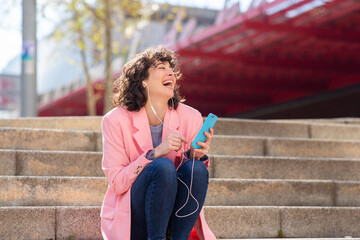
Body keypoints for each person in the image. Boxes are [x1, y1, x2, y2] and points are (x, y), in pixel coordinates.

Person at [100, 45, 217, 240]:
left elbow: (188, 179)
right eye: (161, 68)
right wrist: (153, 154)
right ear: (143, 80)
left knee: (196, 168)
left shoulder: (191, 117)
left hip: (173, 213)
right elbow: (117, 183)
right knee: (161, 166)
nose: (170, 72)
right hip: (135, 214)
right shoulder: (115, 120)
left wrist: (194, 156)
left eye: (171, 69)